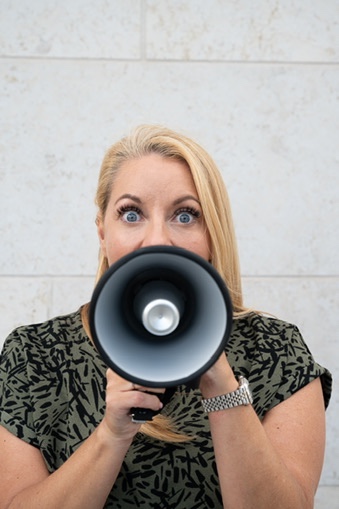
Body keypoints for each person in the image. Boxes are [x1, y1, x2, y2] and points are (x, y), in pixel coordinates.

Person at [0, 124, 332, 509]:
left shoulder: (275, 349)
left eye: (186, 215)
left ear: (213, 233)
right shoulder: (35, 353)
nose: (158, 239)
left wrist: (220, 382)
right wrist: (112, 434)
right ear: (102, 233)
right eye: (130, 214)